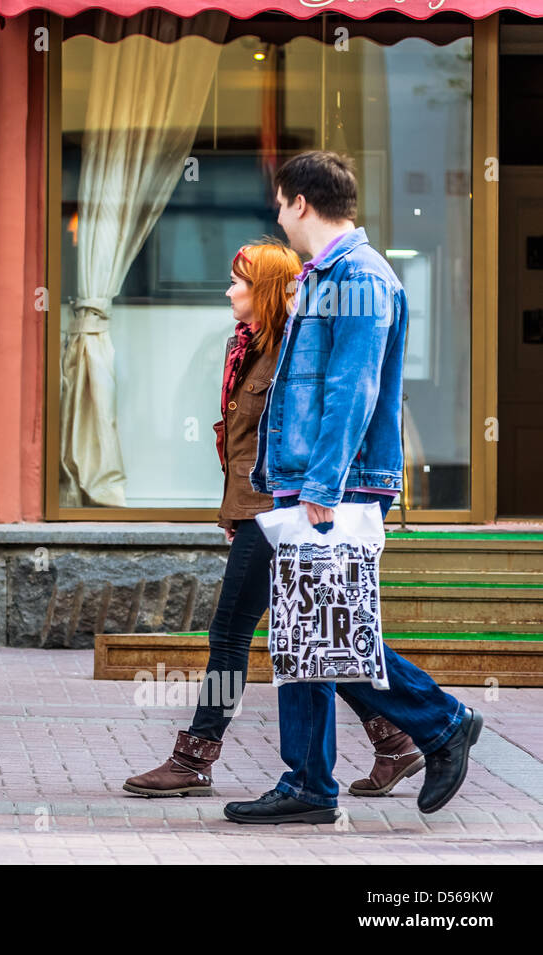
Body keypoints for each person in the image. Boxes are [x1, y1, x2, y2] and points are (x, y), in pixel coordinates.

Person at [225, 151, 483, 824]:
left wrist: (320, 482)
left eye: (280, 204)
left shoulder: (359, 278)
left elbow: (352, 390)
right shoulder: (330, 276)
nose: (278, 216)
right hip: (315, 483)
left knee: (330, 627)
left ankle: (441, 721)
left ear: (301, 203)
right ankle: (309, 780)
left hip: (336, 487)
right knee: (305, 630)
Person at [123, 242, 422, 798]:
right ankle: (396, 741)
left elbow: (303, 432)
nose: (229, 290)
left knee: (236, 632)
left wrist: (293, 500)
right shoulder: (249, 349)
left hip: (278, 512)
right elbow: (239, 444)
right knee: (319, 635)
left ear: (263, 289)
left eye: (239, 281)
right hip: (254, 511)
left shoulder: (290, 354)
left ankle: (194, 759)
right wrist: (232, 512)